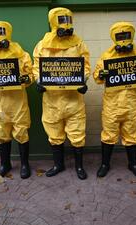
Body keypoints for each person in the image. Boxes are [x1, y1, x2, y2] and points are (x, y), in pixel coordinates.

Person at [32, 7, 91, 180]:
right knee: (54, 133)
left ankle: (79, 167)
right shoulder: (42, 45)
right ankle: (59, 165)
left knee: (77, 133)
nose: (66, 25)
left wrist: (83, 81)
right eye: (61, 21)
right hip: (52, 99)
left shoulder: (79, 43)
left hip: (74, 99)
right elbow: (37, 67)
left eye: (68, 21)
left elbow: (85, 65)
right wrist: (39, 82)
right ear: (53, 23)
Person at [93, 22, 136, 178]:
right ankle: (105, 164)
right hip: (112, 104)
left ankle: (133, 164)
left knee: (131, 133)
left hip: (131, 104)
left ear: (131, 35)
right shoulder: (107, 56)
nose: (123, 39)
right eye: (120, 36)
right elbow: (96, 77)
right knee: (108, 134)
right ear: (114, 37)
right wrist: (101, 75)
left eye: (126, 36)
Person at [0, 21, 33, 179]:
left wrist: (26, 78)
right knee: (1, 132)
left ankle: (25, 164)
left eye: (1, 32)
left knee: (22, 131)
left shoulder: (21, 54)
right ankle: (5, 163)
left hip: (18, 101)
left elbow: (30, 74)